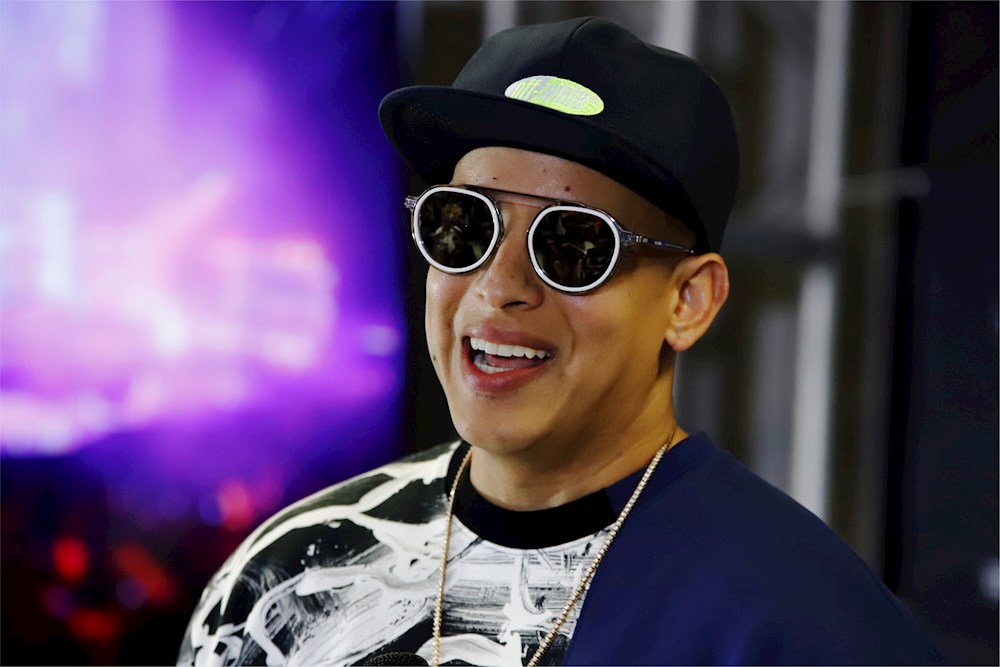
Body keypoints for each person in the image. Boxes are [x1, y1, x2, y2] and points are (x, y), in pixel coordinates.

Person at [177, 17, 944, 666]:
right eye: (463, 226)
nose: (498, 284)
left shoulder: (799, 624)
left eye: (573, 245)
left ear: (688, 300)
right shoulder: (285, 578)